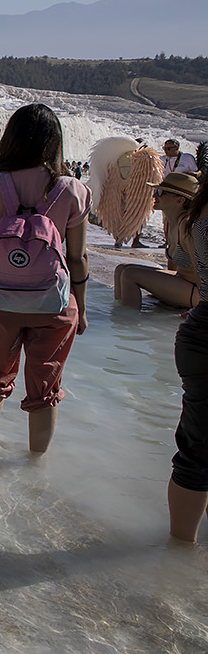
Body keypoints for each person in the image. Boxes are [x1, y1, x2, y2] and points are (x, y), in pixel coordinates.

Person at [0, 104, 89, 455]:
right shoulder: (72, 189)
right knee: (45, 392)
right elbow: (77, 257)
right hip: (54, 304)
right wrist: (83, 307)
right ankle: (35, 474)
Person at [168, 176, 208, 542]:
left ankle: (178, 556)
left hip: (201, 330)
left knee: (196, 451)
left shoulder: (197, 213)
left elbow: (186, 263)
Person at [113, 173, 200, 310]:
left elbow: (203, 267)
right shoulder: (170, 222)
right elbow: (173, 266)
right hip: (183, 281)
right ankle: (118, 314)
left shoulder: (187, 226)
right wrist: (165, 289)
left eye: (160, 192)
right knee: (121, 269)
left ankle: (127, 324)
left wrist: (201, 310)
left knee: (130, 275)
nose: (154, 196)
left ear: (180, 200)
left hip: (199, 292)